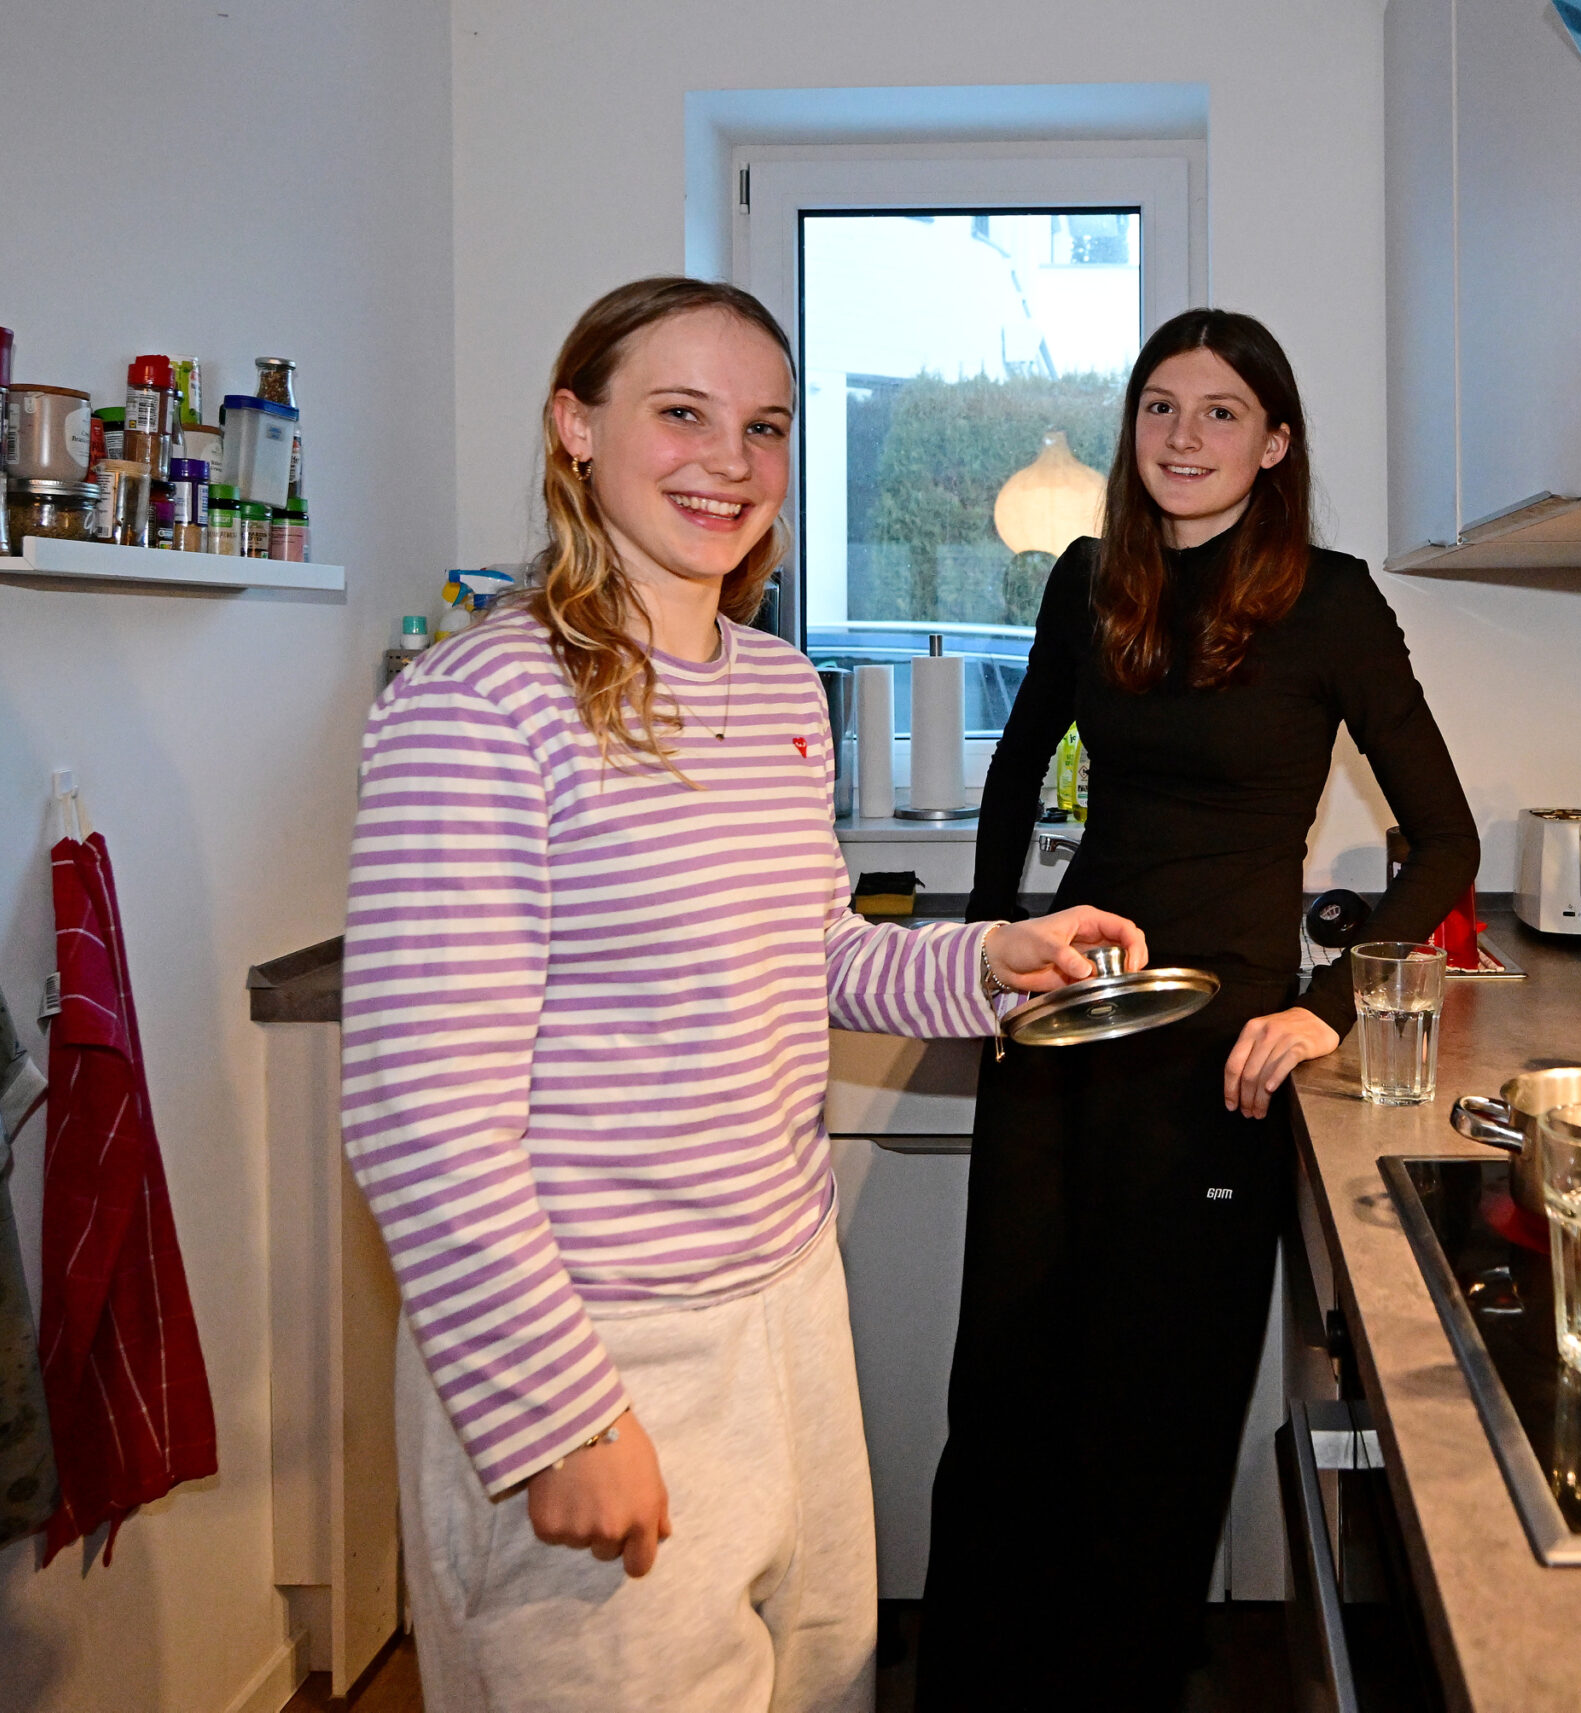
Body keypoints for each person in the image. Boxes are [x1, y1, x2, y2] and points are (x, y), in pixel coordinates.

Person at [340, 276, 1145, 1713]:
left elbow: (815, 952)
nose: (730, 459)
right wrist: (558, 1414)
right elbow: (417, 1117)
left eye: (764, 425)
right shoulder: (481, 703)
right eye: (681, 413)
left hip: (788, 1307)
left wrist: (985, 959)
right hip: (597, 1340)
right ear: (574, 427)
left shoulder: (777, 690)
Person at [915, 309, 1482, 1711]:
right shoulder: (1089, 579)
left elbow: (1449, 843)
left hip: (1217, 1050)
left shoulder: (1332, 600)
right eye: (1159, 406)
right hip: (1067, 1024)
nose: (1182, 436)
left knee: (1155, 1404)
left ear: (1275, 442)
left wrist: (1329, 1010)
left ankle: (1123, 1678)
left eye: (1221, 411)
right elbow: (1017, 768)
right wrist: (989, 955)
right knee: (1006, 1384)